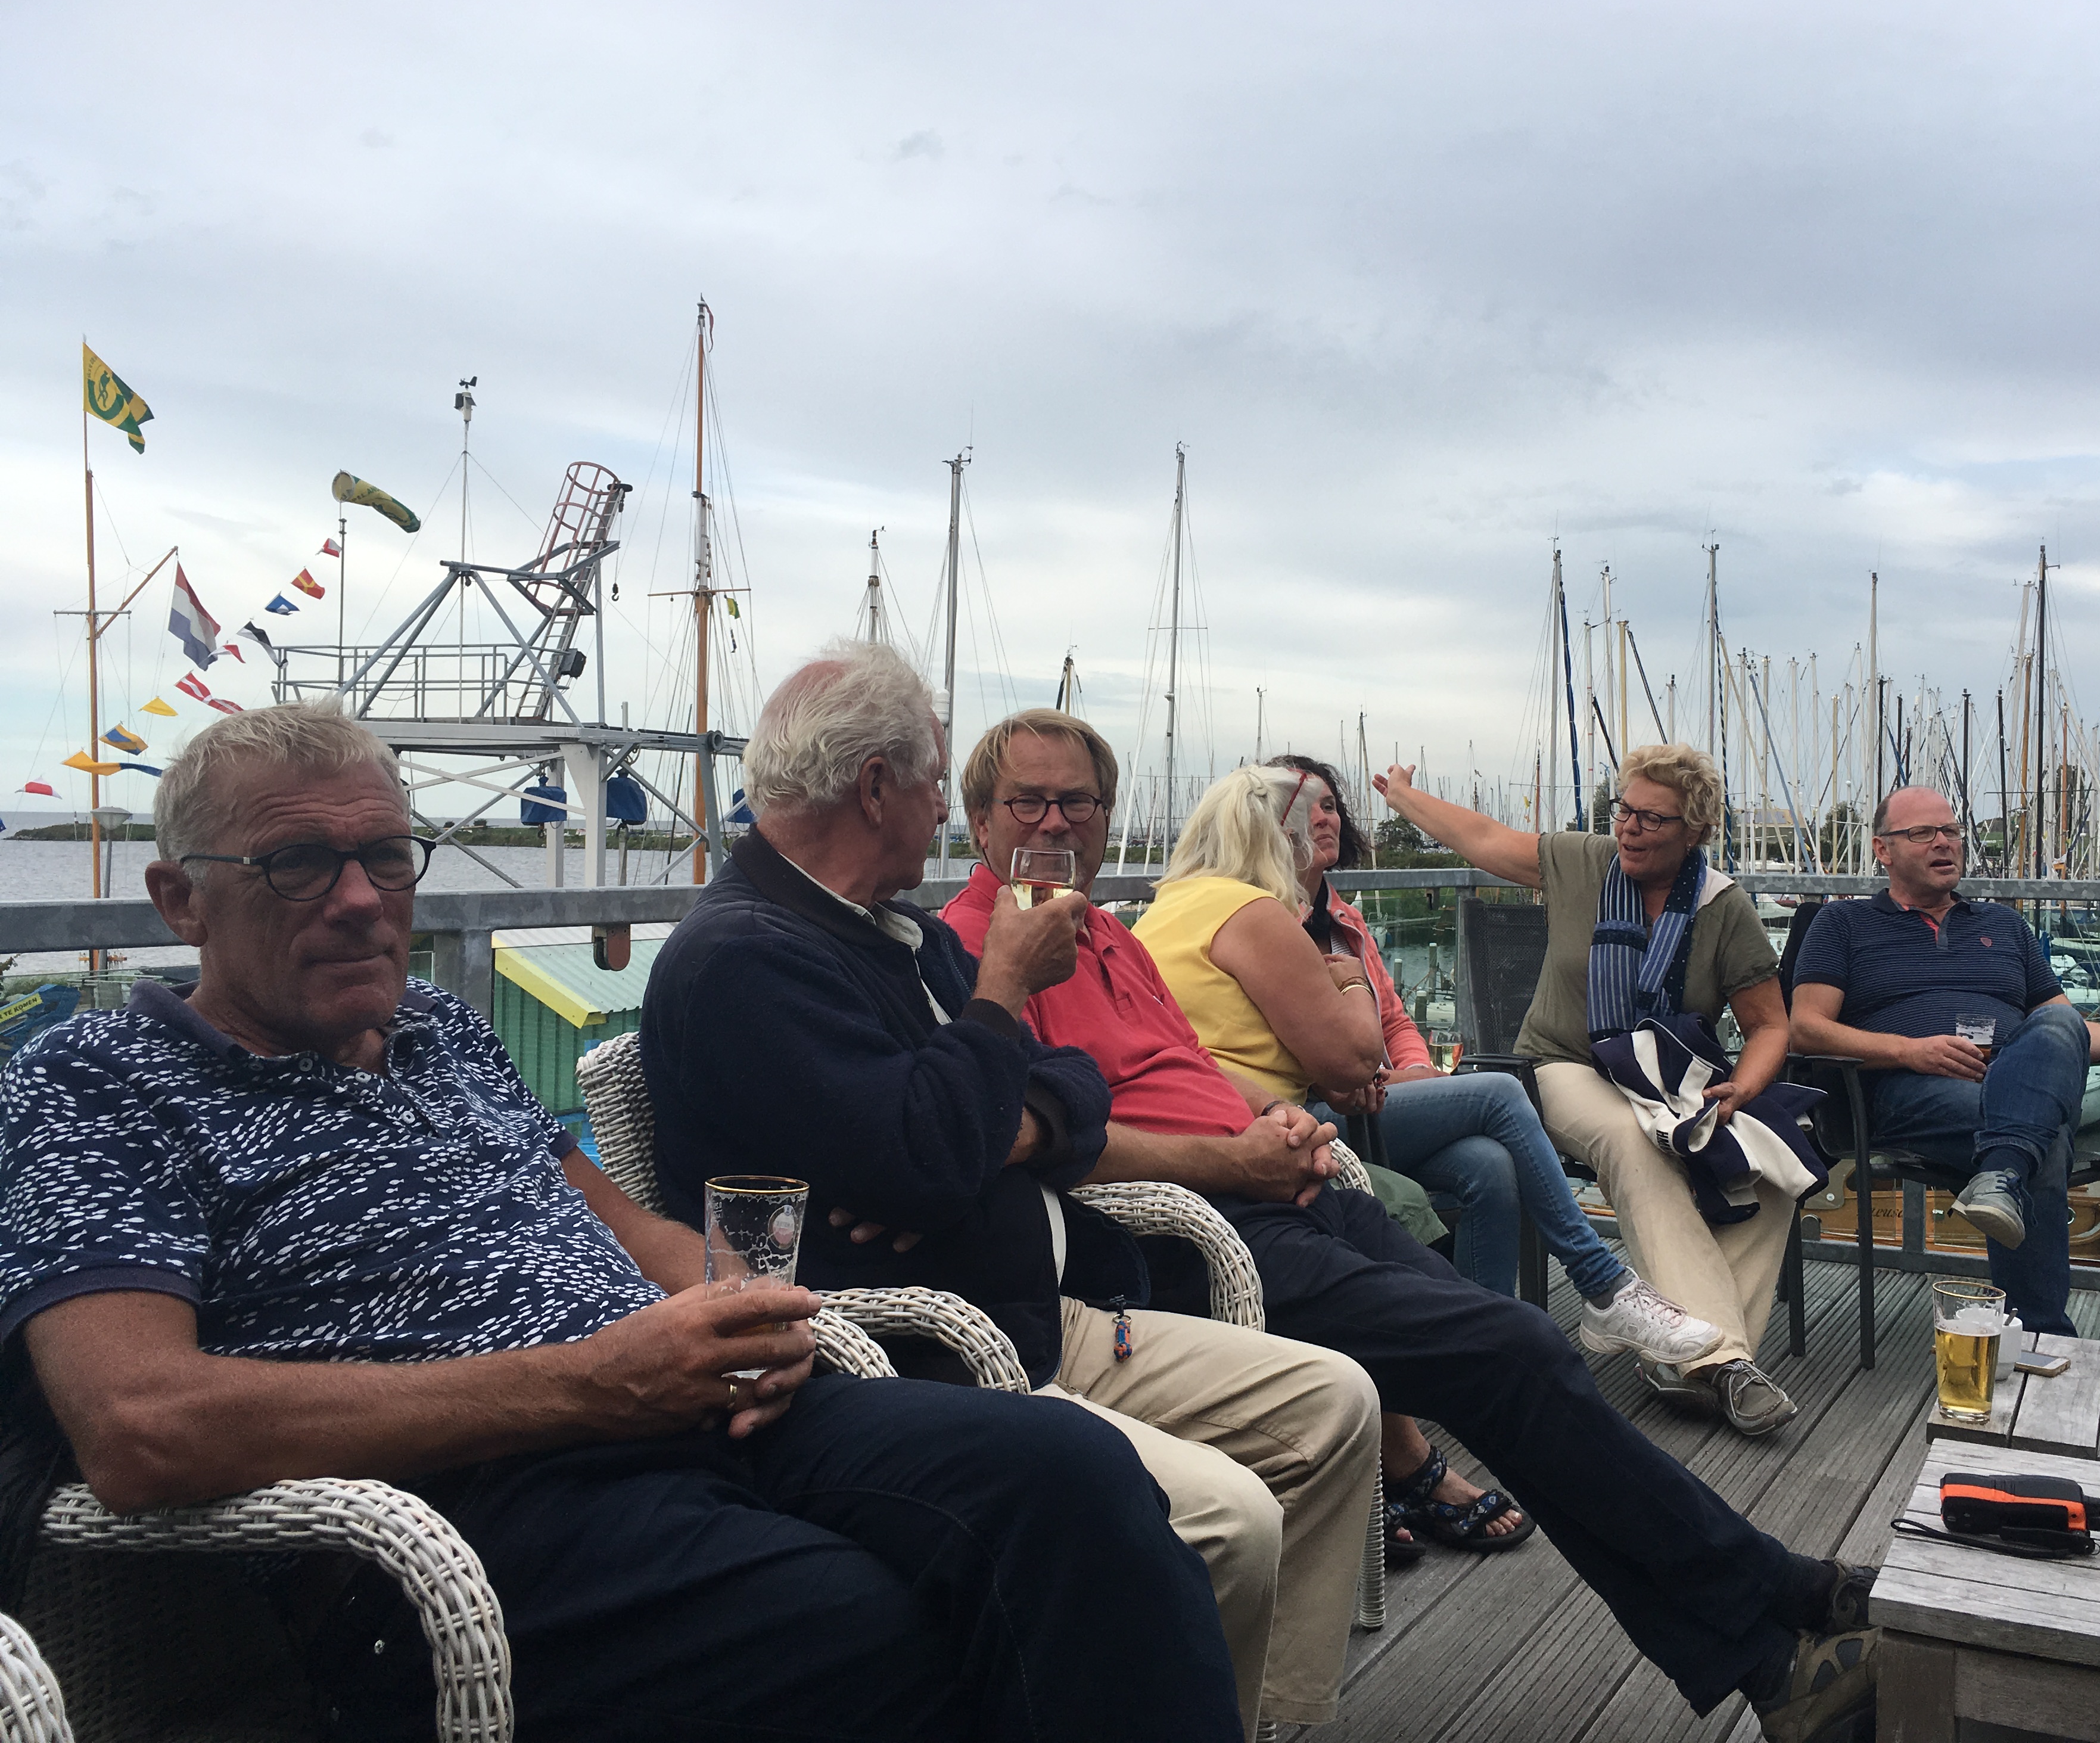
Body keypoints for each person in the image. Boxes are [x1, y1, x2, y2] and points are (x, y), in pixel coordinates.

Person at [0, 702, 1245, 1743]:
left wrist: (748, 1306)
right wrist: (589, 1383)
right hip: (466, 1507)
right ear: (180, 900)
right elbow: (140, 1425)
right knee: (869, 1625)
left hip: (690, 1414)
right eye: (297, 865)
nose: (362, 900)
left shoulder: (440, 1032)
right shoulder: (96, 1084)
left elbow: (618, 1225)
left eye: (386, 855)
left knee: (1075, 1484)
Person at [942, 711, 1882, 1743]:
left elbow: (1185, 1070)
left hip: (1280, 1180)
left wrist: (1273, 1117)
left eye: (1077, 802)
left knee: (1516, 1351)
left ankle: (1768, 1652)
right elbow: (1025, 1139)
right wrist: (1236, 1157)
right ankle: (1771, 1607)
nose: (1054, 823)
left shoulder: (1109, 930)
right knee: (1514, 1345)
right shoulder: (976, 955)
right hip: (1186, 1233)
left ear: (1106, 814)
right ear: (979, 819)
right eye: (1027, 802)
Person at [642, 644, 1381, 1736]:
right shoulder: (746, 959)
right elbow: (928, 1157)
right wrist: (995, 1003)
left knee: (1336, 1404)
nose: (947, 809)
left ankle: (1259, 1717)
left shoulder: (889, 930)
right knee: (1229, 1519)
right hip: (941, 1347)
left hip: (1049, 1305)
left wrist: (990, 1128)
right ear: (876, 786)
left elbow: (1066, 1084)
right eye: (938, 783)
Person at [1193, 756, 1723, 1351]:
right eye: (1305, 808)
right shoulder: (1263, 921)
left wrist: (1417, 1068)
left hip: (1378, 1101)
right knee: (1499, 1094)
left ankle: (1488, 1346)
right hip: (1313, 1118)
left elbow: (1394, 1021)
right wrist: (1362, 1038)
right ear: (1272, 828)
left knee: (1487, 1166)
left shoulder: (1346, 922)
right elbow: (1327, 1064)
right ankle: (1602, 1285)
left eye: (1331, 805)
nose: (1324, 818)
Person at [1377, 746, 1821, 1437]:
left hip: (1672, 1080)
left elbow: (1769, 1025)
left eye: (1653, 819)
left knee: (1769, 1167)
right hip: (1564, 1068)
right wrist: (1404, 798)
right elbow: (1484, 837)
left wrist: (1744, 1086)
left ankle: (1680, 1360)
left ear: (1694, 832)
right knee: (1633, 1145)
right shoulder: (1582, 863)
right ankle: (1723, 1361)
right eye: (1625, 811)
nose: (1630, 829)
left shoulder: (1722, 907)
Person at [1786, 786, 2100, 1337]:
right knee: (2047, 1140)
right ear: (1883, 850)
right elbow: (1806, 1028)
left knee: (2057, 1024)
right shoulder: (1843, 925)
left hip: (2009, 1080)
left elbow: (2065, 1028)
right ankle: (2039, 1330)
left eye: (1951, 831)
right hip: (1904, 1089)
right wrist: (1910, 1051)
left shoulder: (2004, 925)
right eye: (1922, 833)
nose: (1943, 843)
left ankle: (2001, 1176)